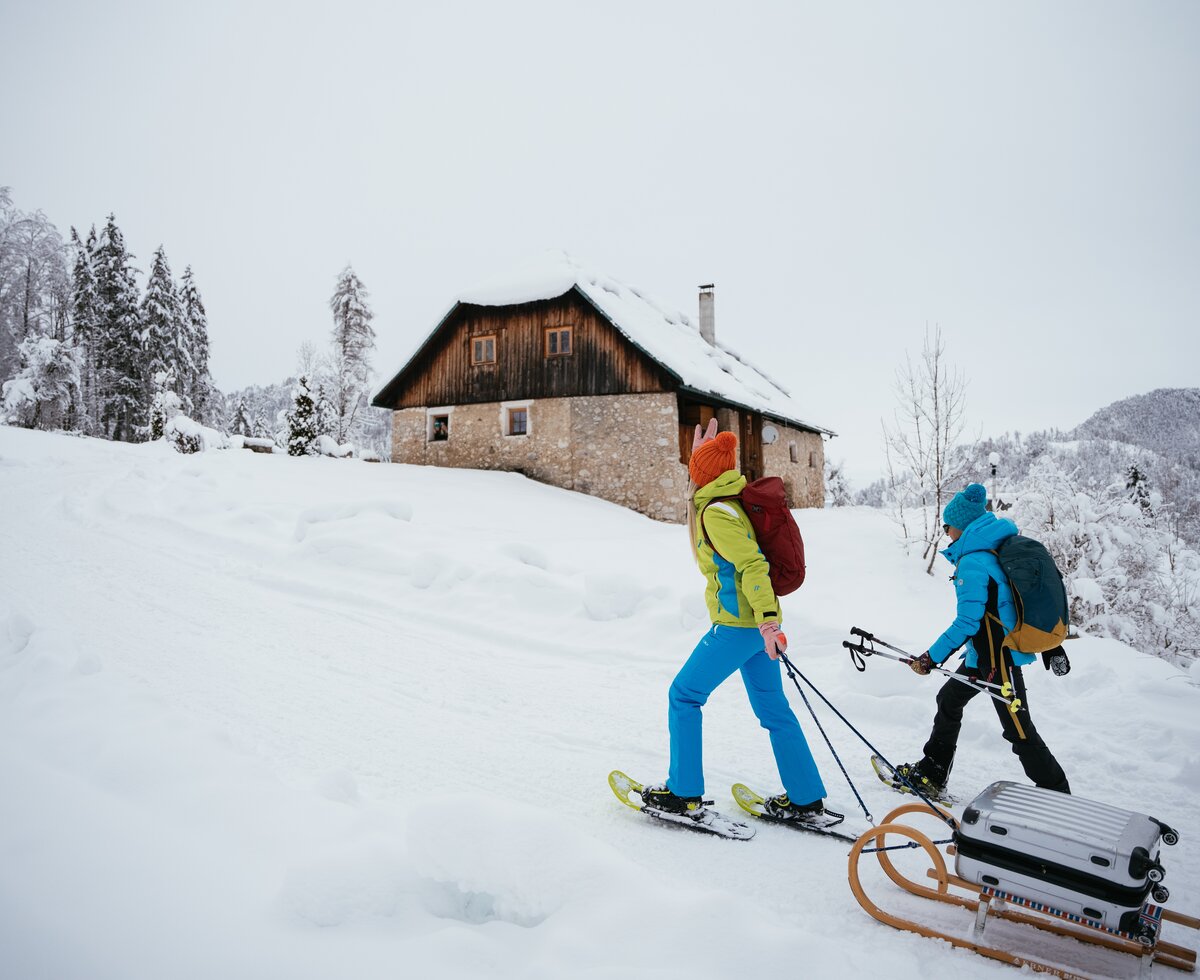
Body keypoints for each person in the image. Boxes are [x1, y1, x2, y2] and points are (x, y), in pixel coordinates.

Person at [640, 421, 842, 827]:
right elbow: (703, 496)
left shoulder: (717, 513)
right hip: (755, 629)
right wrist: (698, 466)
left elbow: (752, 565)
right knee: (774, 710)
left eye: (694, 467)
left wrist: (767, 622)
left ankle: (683, 793)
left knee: (684, 695)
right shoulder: (729, 499)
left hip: (739, 626)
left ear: (704, 475)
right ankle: (805, 799)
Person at [896, 483, 1071, 798]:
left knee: (1019, 730)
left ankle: (1058, 794)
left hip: (997, 661)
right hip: (985, 656)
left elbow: (968, 621)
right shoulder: (994, 547)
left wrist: (930, 658)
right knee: (949, 699)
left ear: (960, 527)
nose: (946, 533)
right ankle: (933, 772)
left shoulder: (973, 562)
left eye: (947, 527)